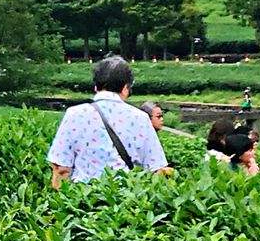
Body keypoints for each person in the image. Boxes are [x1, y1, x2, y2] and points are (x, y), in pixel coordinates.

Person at [48, 55, 171, 187]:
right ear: (125, 88)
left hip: (83, 200)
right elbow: (157, 170)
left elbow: (61, 169)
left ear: (96, 87)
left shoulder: (74, 114)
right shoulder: (141, 118)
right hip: (126, 201)